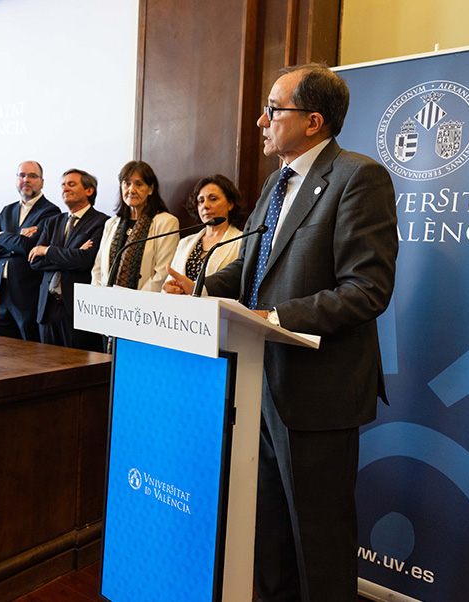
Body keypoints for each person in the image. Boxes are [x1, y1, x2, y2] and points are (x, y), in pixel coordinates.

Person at [165, 63, 397, 602]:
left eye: (273, 108)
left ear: (313, 121)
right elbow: (251, 269)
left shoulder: (358, 177)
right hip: (257, 380)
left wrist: (277, 318)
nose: (260, 120)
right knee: (266, 532)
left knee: (317, 539)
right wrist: (197, 289)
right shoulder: (274, 181)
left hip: (319, 390)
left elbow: (366, 289)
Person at [29, 168, 108, 350]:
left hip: (75, 309)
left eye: (71, 184)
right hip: (47, 307)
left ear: (89, 191)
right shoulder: (53, 221)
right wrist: (70, 253)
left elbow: (85, 260)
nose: (65, 189)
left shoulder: (101, 222)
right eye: (63, 185)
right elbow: (35, 261)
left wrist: (47, 250)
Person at [0, 160, 61, 341]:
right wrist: (16, 240)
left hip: (28, 296)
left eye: (32, 176)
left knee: (29, 352)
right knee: (0, 352)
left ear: (42, 182)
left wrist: (1, 236)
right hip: (1, 296)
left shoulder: (50, 211)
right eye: (22, 175)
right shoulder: (7, 210)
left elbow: (28, 247)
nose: (26, 179)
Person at [90, 161, 179, 292]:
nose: (131, 190)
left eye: (139, 184)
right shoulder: (112, 223)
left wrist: (135, 303)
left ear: (150, 189)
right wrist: (98, 296)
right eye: (127, 184)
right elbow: (98, 267)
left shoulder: (166, 222)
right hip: (107, 305)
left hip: (144, 305)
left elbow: (162, 272)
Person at [162, 174, 244, 295]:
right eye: (201, 201)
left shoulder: (241, 241)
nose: (205, 205)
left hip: (219, 311)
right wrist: (169, 288)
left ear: (230, 204)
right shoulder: (185, 242)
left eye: (213, 199)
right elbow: (171, 282)